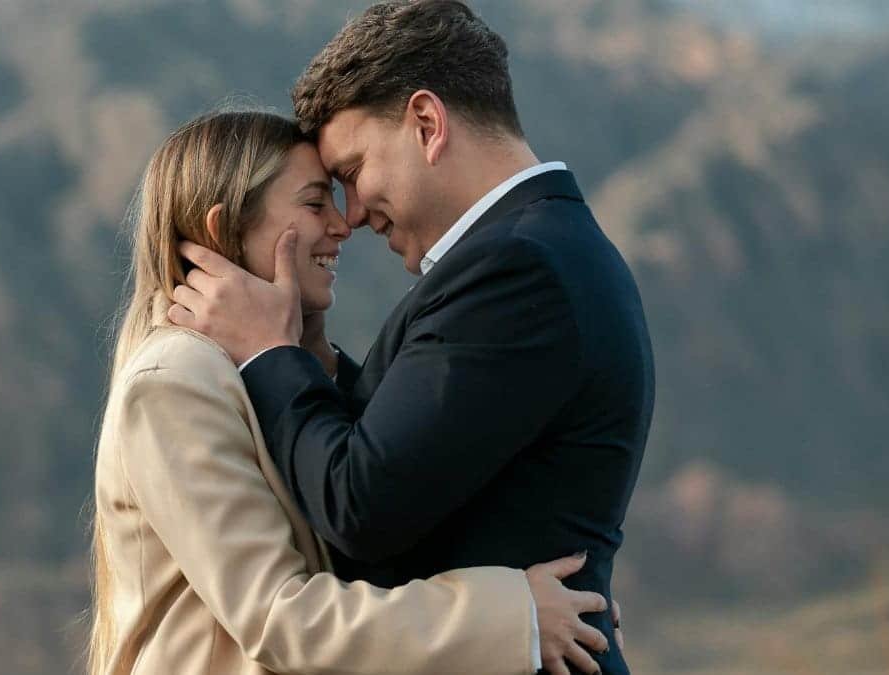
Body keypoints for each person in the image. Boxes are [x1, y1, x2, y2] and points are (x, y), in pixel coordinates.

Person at [168, 2, 655, 674]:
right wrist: (310, 353)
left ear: (426, 123)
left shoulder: (518, 271)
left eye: (353, 173)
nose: (356, 215)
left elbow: (360, 504)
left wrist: (268, 352)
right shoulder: (542, 251)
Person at [88, 110, 616, 675]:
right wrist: (517, 619)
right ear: (222, 231)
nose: (343, 225)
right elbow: (282, 618)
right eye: (315, 204)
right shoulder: (176, 382)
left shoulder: (276, 372)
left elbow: (373, 521)